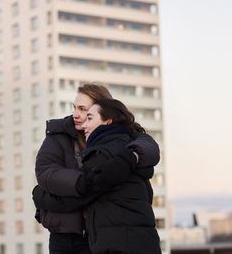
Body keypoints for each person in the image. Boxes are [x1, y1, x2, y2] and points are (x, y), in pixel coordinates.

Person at [34, 83, 160, 254]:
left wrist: (130, 158)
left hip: (102, 233)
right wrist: (85, 182)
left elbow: (149, 147)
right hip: (66, 236)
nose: (75, 115)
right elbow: (46, 172)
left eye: (82, 109)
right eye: (74, 108)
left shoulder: (123, 137)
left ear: (103, 111)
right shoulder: (59, 135)